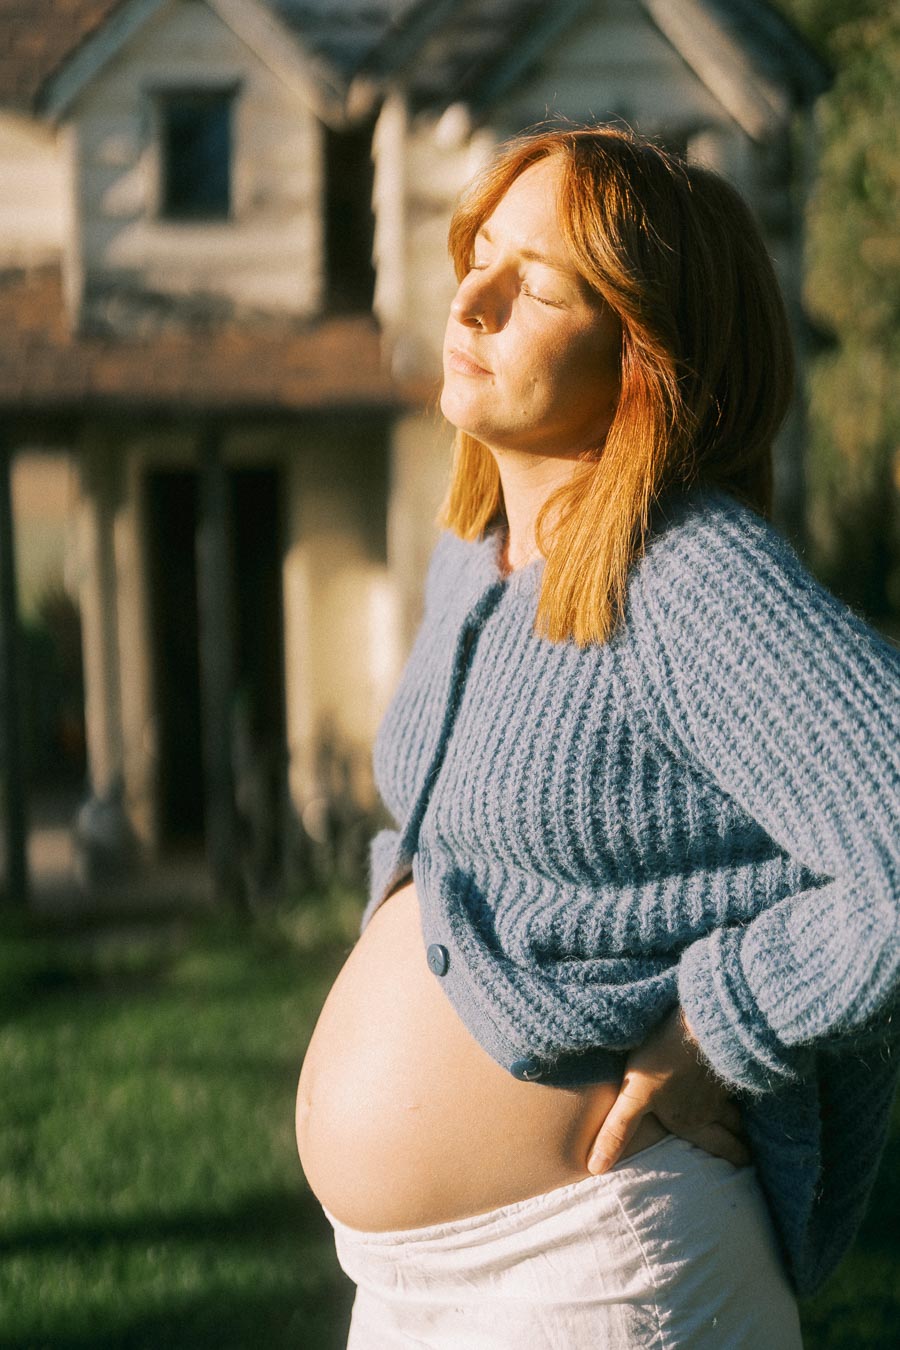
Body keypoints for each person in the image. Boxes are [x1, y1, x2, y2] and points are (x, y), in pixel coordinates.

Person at [295, 126, 900, 1348]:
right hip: (415, 1285)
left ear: (645, 356)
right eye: (481, 254)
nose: (472, 296)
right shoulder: (477, 562)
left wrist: (724, 1019)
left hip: (597, 1269)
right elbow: (451, 835)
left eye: (539, 284)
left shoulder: (690, 577)